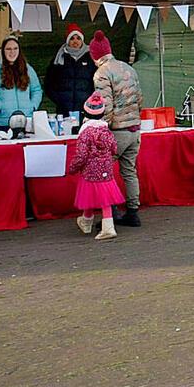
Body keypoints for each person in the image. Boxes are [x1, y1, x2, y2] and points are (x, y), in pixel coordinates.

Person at [90, 30, 143, 227]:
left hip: (117, 131)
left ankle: (109, 214)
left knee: (105, 171)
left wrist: (102, 128)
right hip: (134, 129)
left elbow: (105, 104)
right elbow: (139, 99)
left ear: (95, 55)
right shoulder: (127, 68)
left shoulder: (102, 73)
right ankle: (133, 212)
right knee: (129, 171)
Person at [68, 92, 123, 242]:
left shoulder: (85, 133)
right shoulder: (106, 131)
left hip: (90, 171)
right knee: (99, 196)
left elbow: (81, 155)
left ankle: (107, 227)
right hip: (106, 169)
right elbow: (114, 149)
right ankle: (86, 221)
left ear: (85, 113)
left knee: (96, 197)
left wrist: (72, 168)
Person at [0, 35, 43, 129]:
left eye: (15, 48)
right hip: (3, 122)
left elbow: (37, 90)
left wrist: (32, 106)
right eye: (8, 49)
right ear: (3, 51)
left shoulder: (28, 69)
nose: (12, 52)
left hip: (26, 121)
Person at [44, 24, 97, 116]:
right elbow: (49, 83)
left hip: (86, 108)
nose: (75, 41)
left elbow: (97, 80)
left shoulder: (91, 58)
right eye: (72, 38)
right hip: (64, 109)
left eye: (78, 38)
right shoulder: (59, 58)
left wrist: (90, 98)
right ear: (68, 41)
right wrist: (59, 100)